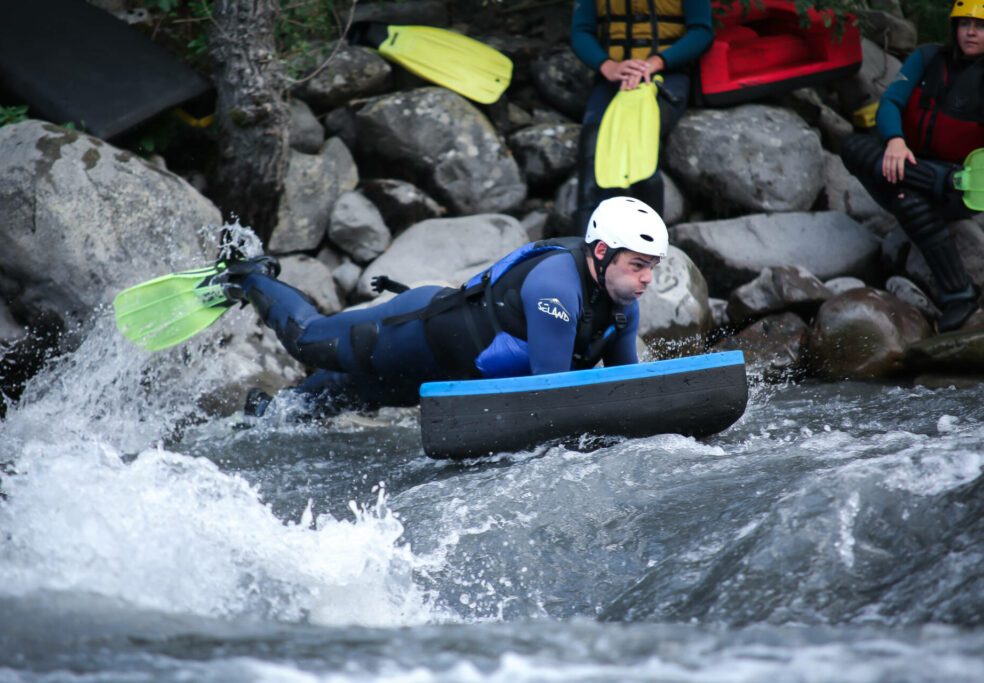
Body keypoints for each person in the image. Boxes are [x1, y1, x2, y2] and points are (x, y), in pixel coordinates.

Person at [217, 197, 668, 415]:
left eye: (651, 268)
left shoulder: (623, 305)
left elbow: (622, 385)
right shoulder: (556, 287)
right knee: (309, 340)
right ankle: (246, 275)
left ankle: (267, 415)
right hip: (418, 333)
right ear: (604, 251)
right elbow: (550, 395)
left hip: (452, 374)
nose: (646, 278)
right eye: (637, 265)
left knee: (347, 396)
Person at [841, 0, 984, 332]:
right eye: (965, 25)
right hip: (906, 160)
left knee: (909, 201)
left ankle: (959, 295)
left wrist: (951, 178)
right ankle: (959, 293)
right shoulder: (929, 58)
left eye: (979, 26)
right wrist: (894, 139)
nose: (971, 32)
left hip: (960, 186)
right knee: (852, 146)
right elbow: (891, 101)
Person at [570, 0, 714, 231]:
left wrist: (655, 63)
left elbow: (702, 32)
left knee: (638, 140)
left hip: (667, 74)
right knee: (593, 143)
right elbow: (581, 31)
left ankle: (645, 249)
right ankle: (586, 247)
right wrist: (607, 65)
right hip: (613, 76)